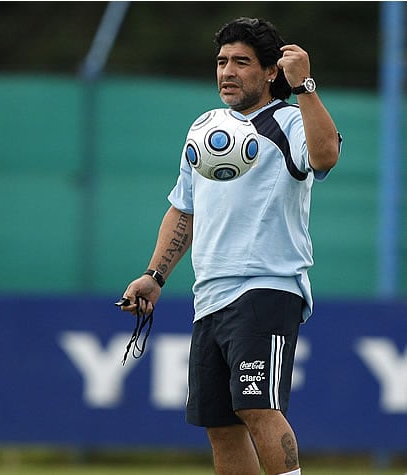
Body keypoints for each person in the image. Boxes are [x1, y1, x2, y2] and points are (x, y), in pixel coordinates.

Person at [118, 17, 341, 475]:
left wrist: (307, 86)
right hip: (210, 296)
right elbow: (184, 210)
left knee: (258, 407)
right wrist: (155, 276)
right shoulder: (205, 130)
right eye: (222, 62)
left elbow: (326, 156)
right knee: (220, 425)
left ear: (270, 72)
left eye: (242, 62)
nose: (227, 71)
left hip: (266, 288)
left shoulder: (291, 120)